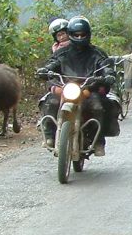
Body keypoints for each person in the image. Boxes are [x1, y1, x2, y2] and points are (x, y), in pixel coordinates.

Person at [36, 15, 120, 156]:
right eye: (76, 35)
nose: (80, 38)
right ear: (71, 35)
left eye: (83, 35)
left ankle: (98, 141)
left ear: (88, 34)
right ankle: (49, 136)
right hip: (66, 88)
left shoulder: (97, 53)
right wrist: (45, 70)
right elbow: (52, 64)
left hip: (88, 89)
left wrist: (108, 74)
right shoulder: (62, 53)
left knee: (97, 106)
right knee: (50, 102)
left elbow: (105, 66)